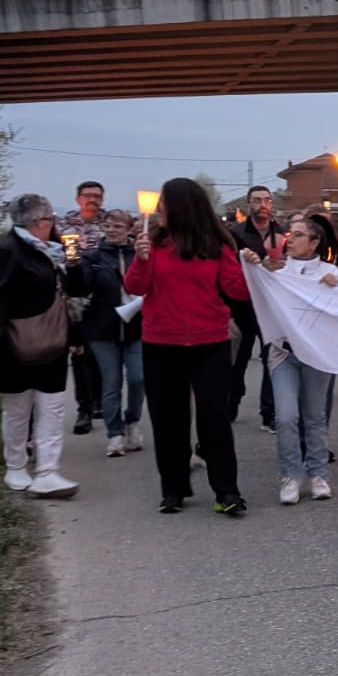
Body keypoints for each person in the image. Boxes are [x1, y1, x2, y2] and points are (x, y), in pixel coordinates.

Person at [124, 178, 251, 516]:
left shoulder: (217, 245)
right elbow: (135, 286)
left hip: (210, 343)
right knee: (169, 419)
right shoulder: (153, 242)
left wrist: (253, 267)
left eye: (163, 203)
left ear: (181, 206)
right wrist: (141, 259)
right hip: (161, 344)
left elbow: (237, 291)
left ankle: (227, 492)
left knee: (214, 418)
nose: (159, 209)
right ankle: (174, 489)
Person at [0, 193, 87, 499]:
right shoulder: (8, 252)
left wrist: (74, 263)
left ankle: (48, 472)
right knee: (17, 408)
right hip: (16, 343)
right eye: (50, 218)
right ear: (38, 221)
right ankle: (15, 466)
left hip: (52, 342)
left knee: (52, 407)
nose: (54, 224)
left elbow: (72, 294)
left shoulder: (55, 251)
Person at [250, 216, 338, 504]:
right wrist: (254, 265)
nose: (289, 239)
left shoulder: (331, 272)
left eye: (298, 235)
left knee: (314, 417)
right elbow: (256, 288)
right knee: (286, 416)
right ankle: (290, 475)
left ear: (314, 243)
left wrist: (337, 289)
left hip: (316, 354)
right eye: (289, 234)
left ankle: (318, 474)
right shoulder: (277, 269)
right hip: (284, 354)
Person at [85, 208, 146, 458]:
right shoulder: (93, 256)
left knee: (138, 378)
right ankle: (114, 434)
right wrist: (75, 268)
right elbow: (80, 287)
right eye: (107, 226)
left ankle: (133, 420)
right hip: (103, 329)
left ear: (129, 230)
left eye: (117, 226)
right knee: (111, 383)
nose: (111, 231)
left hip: (136, 328)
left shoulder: (139, 254)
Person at [228, 186, 286, 433]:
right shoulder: (235, 233)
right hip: (242, 306)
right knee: (238, 361)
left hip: (271, 306)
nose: (263, 204)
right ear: (248, 203)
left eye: (267, 200)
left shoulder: (282, 233)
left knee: (271, 359)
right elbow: (228, 269)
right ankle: (231, 402)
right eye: (257, 200)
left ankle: (268, 413)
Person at [59, 181, 107, 436]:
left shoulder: (109, 225)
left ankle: (100, 400)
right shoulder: (65, 227)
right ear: (78, 198)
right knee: (80, 353)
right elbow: (59, 259)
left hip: (103, 298)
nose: (93, 200)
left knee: (101, 352)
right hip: (75, 301)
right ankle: (84, 409)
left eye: (97, 196)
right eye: (88, 195)